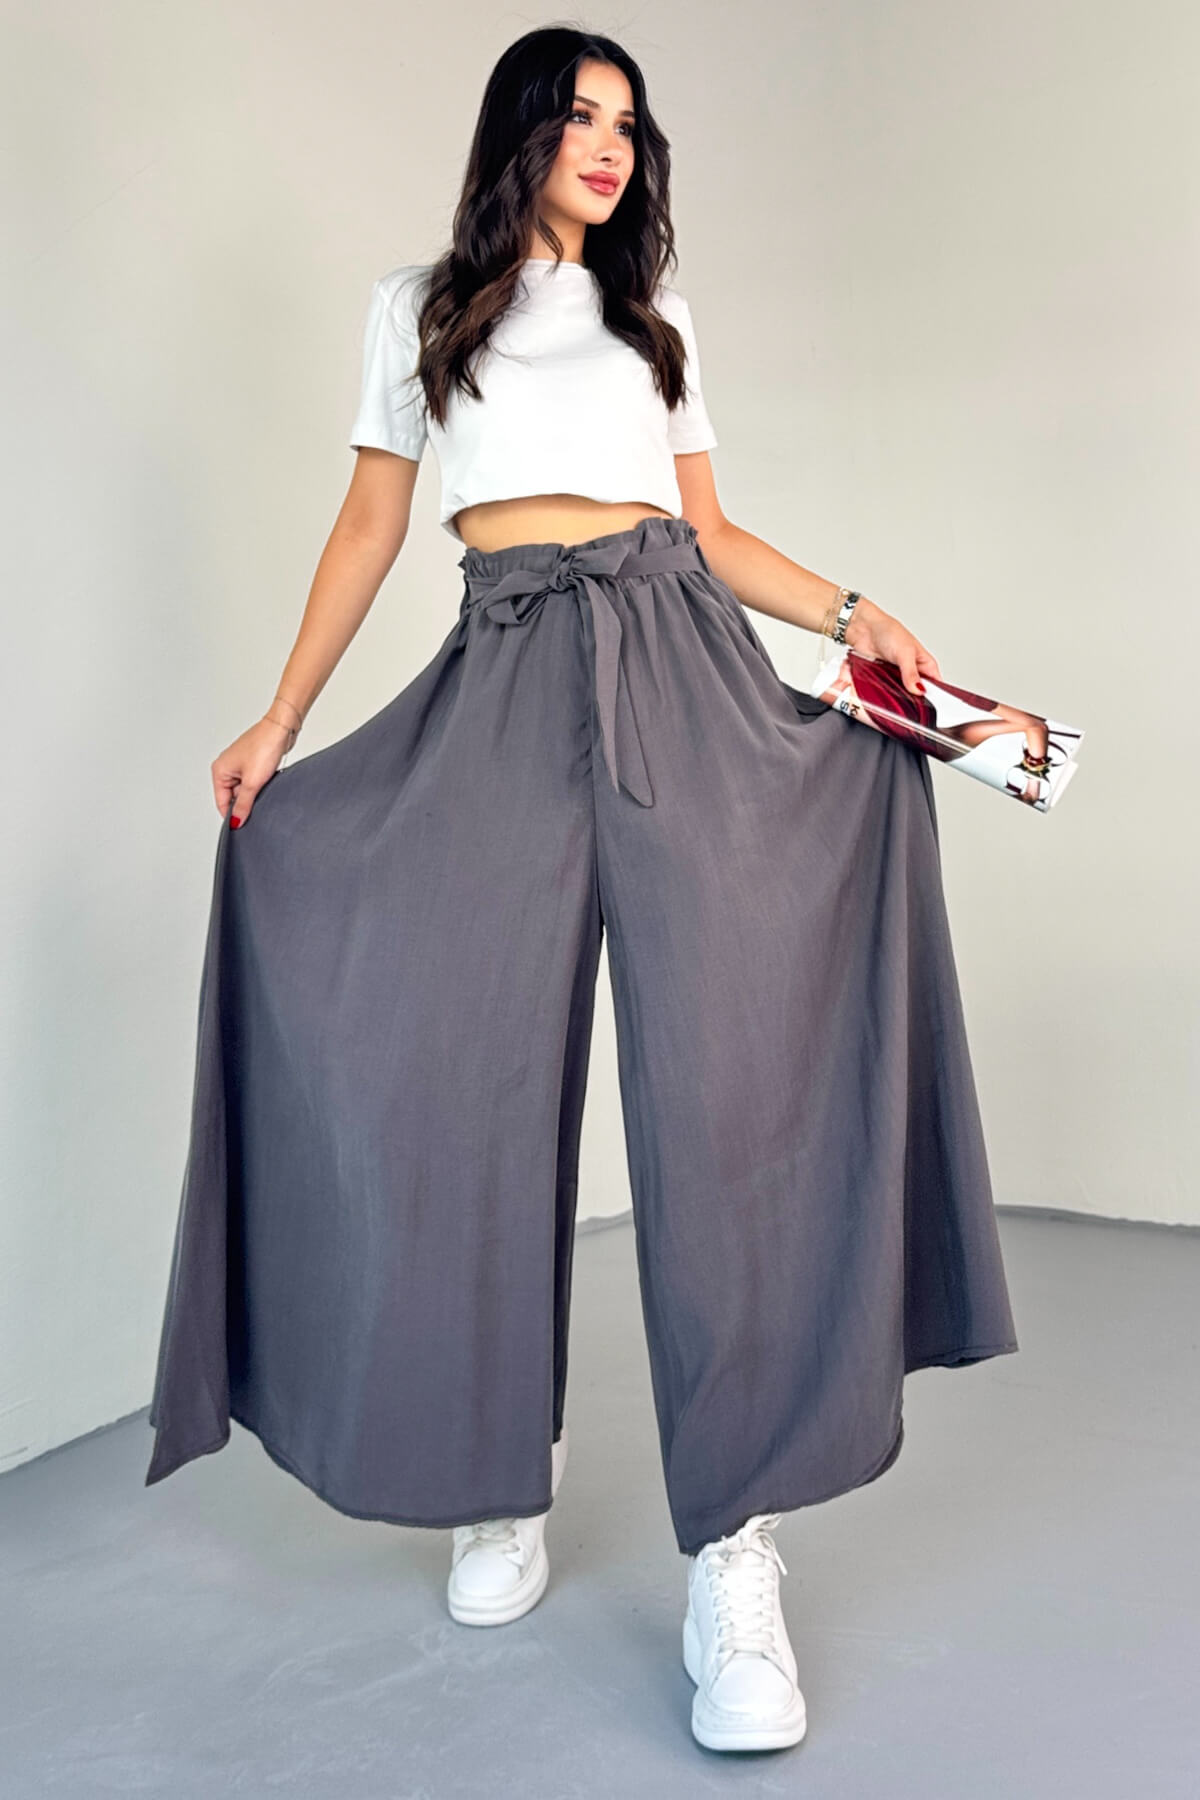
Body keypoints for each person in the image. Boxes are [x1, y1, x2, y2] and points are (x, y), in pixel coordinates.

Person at [143, 26, 1019, 1757]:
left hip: (679, 667)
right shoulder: (417, 311)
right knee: (458, 1081)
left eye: (629, 123)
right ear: (521, 133)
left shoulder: (654, 319)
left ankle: (734, 1548)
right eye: (580, 117)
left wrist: (858, 618)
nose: (610, 147)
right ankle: (496, 1464)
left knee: (731, 1091)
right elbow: (371, 526)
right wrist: (281, 718)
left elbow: (710, 533)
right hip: (500, 676)